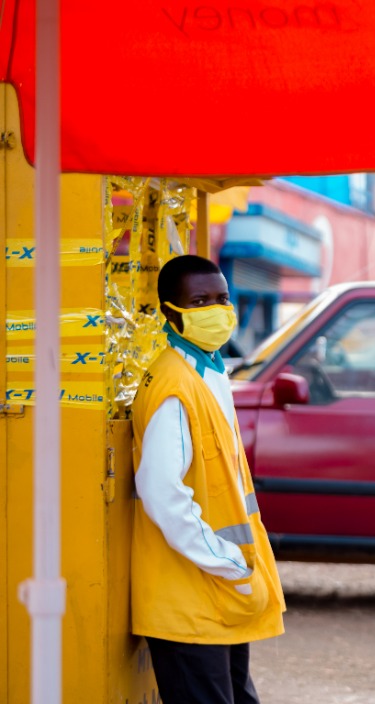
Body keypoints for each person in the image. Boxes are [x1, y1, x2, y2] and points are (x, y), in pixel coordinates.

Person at [131, 255, 285, 703]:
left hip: (217, 592)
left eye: (222, 298)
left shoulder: (209, 371)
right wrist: (228, 562)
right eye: (199, 301)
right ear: (170, 312)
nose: (216, 310)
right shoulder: (174, 384)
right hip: (190, 597)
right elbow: (161, 490)